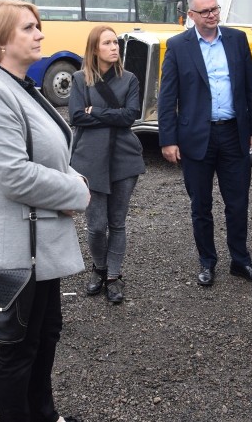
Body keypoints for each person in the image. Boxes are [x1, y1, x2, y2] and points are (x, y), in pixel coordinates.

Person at [0, 0, 88, 422]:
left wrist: (66, 186)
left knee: (45, 336)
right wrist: (77, 192)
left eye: (38, 25)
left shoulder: (22, 86)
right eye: (28, 28)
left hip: (41, 243)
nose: (39, 34)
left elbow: (50, 154)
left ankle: (45, 413)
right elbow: (14, 175)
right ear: (0, 41)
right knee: (18, 349)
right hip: (17, 247)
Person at [157, 0, 252, 288]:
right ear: (191, 15)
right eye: (205, 12)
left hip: (233, 133)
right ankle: (207, 262)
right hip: (196, 138)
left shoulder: (236, 40)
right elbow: (167, 97)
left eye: (215, 9)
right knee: (201, 206)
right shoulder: (178, 46)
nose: (212, 15)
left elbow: (250, 88)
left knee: (238, 202)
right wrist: (168, 139)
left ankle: (241, 261)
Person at [69, 25, 145, 304]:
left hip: (124, 158)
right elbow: (76, 116)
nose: (115, 47)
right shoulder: (79, 79)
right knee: (96, 225)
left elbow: (130, 117)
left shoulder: (130, 79)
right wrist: (111, 114)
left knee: (118, 222)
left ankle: (113, 276)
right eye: (108, 43)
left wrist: (97, 112)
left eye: (116, 42)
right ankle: (98, 269)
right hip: (89, 159)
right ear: (94, 49)